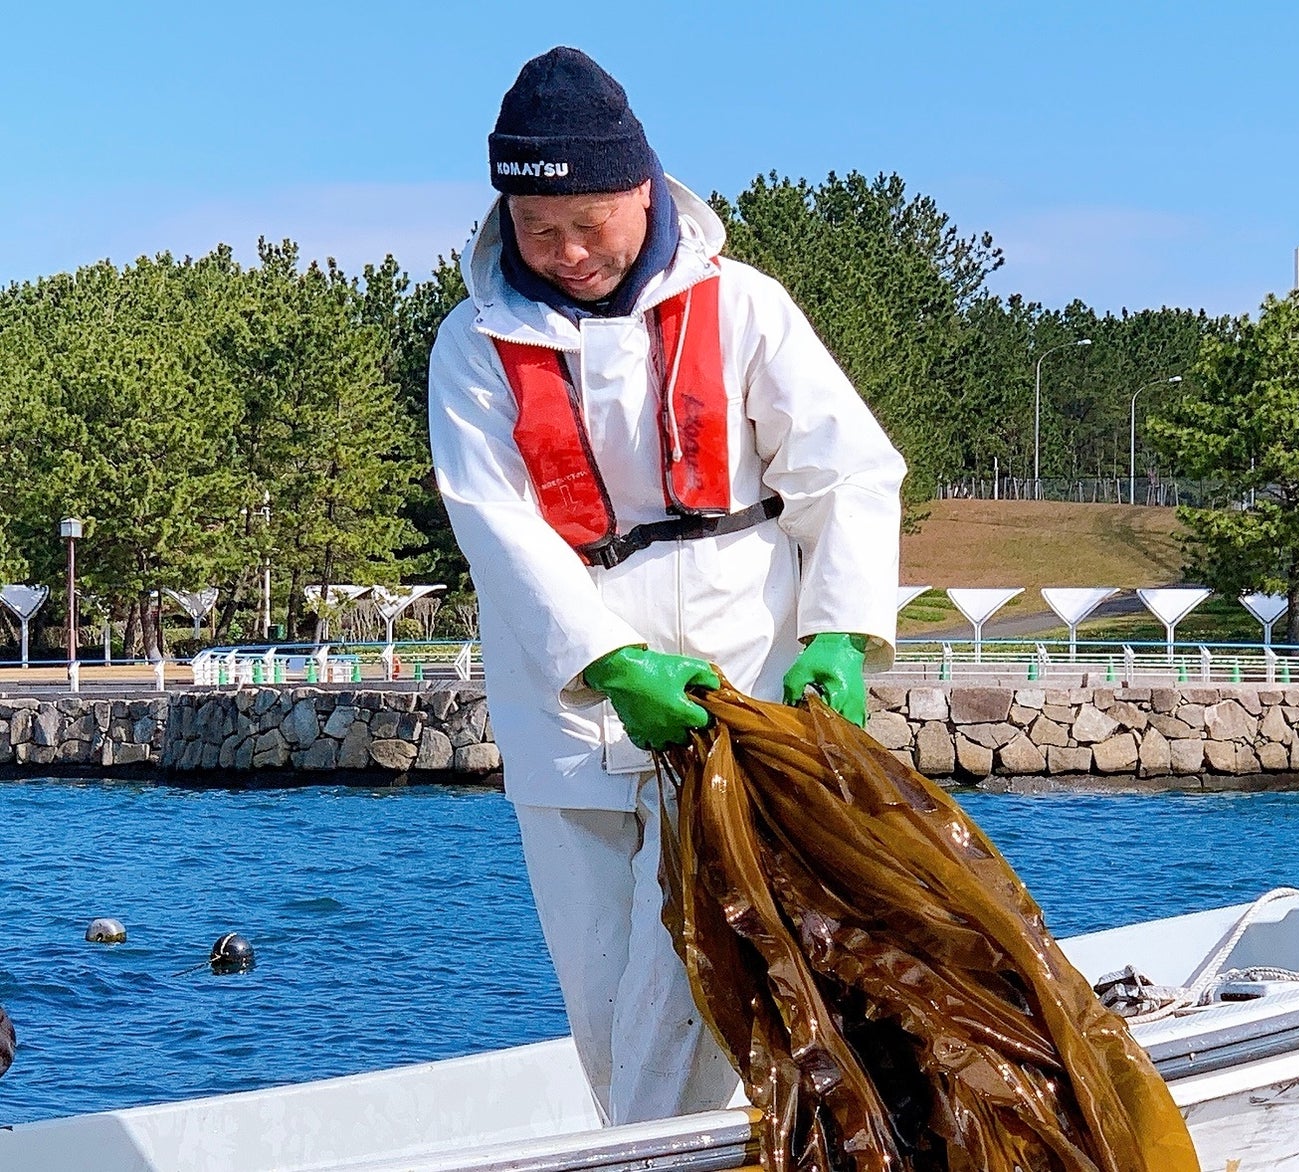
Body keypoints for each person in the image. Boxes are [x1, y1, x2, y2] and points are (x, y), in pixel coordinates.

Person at [427, 46, 905, 1124]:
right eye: (539, 231)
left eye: (589, 223)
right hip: (566, 709)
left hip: (739, 683)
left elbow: (850, 470)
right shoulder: (470, 344)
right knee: (607, 1003)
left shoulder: (745, 306)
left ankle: (673, 1150)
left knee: (704, 973)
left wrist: (839, 630)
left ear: (643, 189)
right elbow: (495, 524)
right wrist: (609, 658)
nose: (568, 253)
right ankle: (652, 1142)